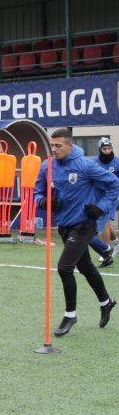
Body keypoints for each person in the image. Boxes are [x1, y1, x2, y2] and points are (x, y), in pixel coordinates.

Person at [34, 128, 119, 336]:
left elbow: (114, 184)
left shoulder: (85, 165)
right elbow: (37, 190)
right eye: (52, 145)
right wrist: (43, 201)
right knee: (86, 266)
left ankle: (70, 316)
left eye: (58, 146)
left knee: (64, 268)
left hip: (84, 224)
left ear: (70, 145)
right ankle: (106, 302)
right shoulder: (47, 166)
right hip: (64, 224)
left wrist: (102, 207)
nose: (54, 149)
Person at [88, 136, 119, 267]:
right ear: (100, 149)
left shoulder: (117, 162)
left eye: (109, 148)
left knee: (104, 224)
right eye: (104, 148)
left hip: (111, 196)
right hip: (97, 196)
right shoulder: (94, 162)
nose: (107, 150)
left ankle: (106, 253)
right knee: (106, 225)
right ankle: (116, 242)